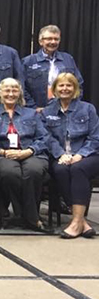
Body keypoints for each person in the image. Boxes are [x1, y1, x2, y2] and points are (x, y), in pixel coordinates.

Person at [0, 78, 51, 232]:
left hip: (31, 153)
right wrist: (2, 152)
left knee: (33, 171)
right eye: (7, 90)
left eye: (14, 90)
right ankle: (30, 217)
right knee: (10, 173)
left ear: (20, 93)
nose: (11, 94)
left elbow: (44, 137)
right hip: (2, 154)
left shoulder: (32, 114)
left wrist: (29, 151)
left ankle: (21, 215)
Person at [42, 73, 99, 239]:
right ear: (54, 89)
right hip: (60, 156)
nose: (65, 89)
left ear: (75, 89)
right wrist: (61, 154)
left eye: (69, 85)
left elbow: (95, 137)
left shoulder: (88, 109)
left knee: (78, 169)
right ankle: (81, 221)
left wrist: (80, 155)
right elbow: (46, 137)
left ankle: (75, 223)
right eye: (61, 85)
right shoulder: (47, 112)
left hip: (88, 155)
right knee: (60, 170)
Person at [22, 25, 84, 110]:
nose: (53, 42)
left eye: (56, 39)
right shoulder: (28, 61)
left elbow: (78, 84)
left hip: (64, 111)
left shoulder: (68, 59)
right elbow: (22, 87)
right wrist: (33, 108)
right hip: (37, 111)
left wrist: (71, 106)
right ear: (41, 41)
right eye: (49, 39)